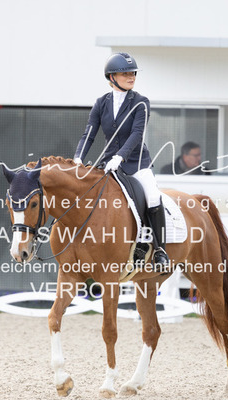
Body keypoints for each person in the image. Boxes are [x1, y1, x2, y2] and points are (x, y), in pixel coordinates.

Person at [73, 52, 169, 271]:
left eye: (133, 73)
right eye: (125, 73)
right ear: (112, 77)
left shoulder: (141, 103)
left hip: (136, 163)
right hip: (108, 164)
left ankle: (160, 250)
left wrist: (120, 156)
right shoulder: (101, 103)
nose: (131, 77)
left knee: (153, 196)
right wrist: (78, 158)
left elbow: (137, 134)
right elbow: (89, 134)